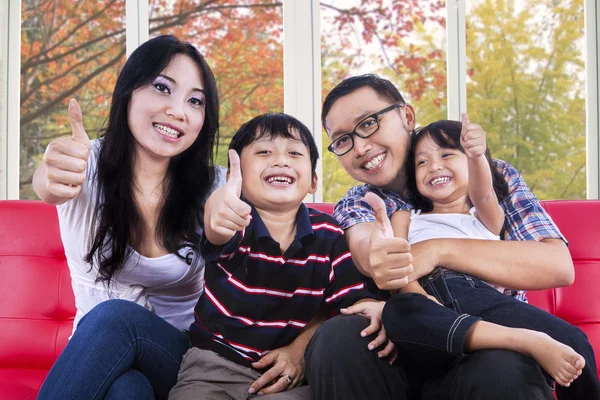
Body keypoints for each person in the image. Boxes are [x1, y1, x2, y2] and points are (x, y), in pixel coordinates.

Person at [33, 36, 308, 400]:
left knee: (115, 319)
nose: (178, 111)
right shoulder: (84, 163)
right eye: (162, 88)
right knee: (127, 389)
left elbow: (296, 271)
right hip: (101, 356)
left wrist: (222, 223)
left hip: (181, 359)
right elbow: (50, 181)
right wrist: (49, 174)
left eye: (195, 101)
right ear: (128, 91)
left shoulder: (215, 186)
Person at [304, 73, 580, 400]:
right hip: (398, 357)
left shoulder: (487, 174)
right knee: (338, 336)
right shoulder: (360, 202)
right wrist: (379, 257)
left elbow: (556, 265)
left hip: (489, 351)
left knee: (505, 367)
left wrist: (436, 251)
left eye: (368, 124)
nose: (361, 147)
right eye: (343, 140)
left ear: (407, 115)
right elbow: (366, 248)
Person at [168, 113, 391, 399]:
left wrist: (373, 307)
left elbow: (348, 301)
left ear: (313, 181)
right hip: (213, 368)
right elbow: (216, 230)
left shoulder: (329, 234)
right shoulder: (235, 221)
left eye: (294, 153)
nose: (280, 160)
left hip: (293, 378)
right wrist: (219, 211)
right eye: (264, 151)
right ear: (233, 177)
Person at [381, 116, 599, 399]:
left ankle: (533, 345)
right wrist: (421, 299)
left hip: (481, 298)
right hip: (432, 300)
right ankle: (522, 340)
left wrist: (476, 155)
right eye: (421, 162)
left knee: (574, 340)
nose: (433, 166)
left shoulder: (486, 217)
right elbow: (402, 268)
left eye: (447, 154)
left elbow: (482, 192)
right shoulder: (406, 216)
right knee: (398, 309)